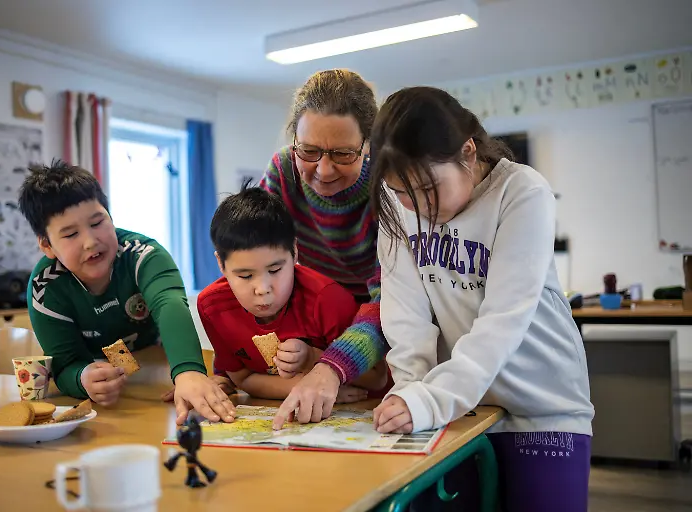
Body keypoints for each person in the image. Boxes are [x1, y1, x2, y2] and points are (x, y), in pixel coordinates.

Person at [368, 87, 594, 511]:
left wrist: (429, 399)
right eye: (400, 193)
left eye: (429, 188)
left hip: (541, 408)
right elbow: (406, 316)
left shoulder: (522, 192)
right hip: (460, 412)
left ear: (467, 152)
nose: (418, 208)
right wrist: (411, 394)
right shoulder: (399, 208)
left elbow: (502, 320)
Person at [210, 69, 387, 429]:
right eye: (308, 150)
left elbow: (389, 302)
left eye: (342, 154)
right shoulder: (283, 171)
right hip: (312, 326)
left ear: (368, 144)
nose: (323, 170)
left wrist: (328, 367)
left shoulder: (387, 189)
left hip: (374, 333)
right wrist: (226, 370)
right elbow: (249, 252)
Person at [18, 160, 236, 426]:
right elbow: (65, 365)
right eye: (71, 234)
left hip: (161, 375)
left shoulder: (144, 255)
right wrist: (82, 378)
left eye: (98, 222)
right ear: (46, 245)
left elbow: (170, 306)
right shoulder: (44, 289)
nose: (90, 241)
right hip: (110, 409)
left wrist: (188, 372)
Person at [198, 185, 384, 403]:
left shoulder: (327, 299)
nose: (262, 288)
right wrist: (307, 389)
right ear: (221, 263)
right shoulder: (212, 307)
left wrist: (312, 358)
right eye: (245, 276)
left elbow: (377, 378)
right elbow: (242, 378)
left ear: (294, 252)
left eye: (275, 270)